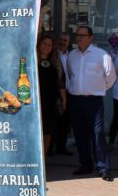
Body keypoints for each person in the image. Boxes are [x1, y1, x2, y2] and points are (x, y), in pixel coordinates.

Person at [66, 25, 116, 181]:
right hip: (75, 100)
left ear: (90, 37)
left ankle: (103, 167)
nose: (79, 38)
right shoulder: (72, 55)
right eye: (77, 35)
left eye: (83, 35)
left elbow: (111, 77)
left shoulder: (102, 55)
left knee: (97, 134)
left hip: (93, 101)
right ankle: (85, 165)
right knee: (80, 134)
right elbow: (70, 75)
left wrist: (98, 89)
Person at [36, 33, 67, 157]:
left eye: (49, 45)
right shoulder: (31, 59)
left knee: (47, 131)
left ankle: (43, 158)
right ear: (39, 44)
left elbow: (60, 83)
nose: (46, 47)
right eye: (44, 44)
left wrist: (64, 100)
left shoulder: (55, 62)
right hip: (34, 101)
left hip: (49, 102)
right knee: (34, 129)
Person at [53, 32, 73, 155]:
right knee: (54, 121)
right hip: (55, 92)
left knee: (66, 121)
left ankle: (61, 146)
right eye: (61, 39)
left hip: (69, 92)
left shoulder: (71, 56)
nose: (63, 42)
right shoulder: (53, 55)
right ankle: (50, 148)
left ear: (68, 43)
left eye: (65, 40)